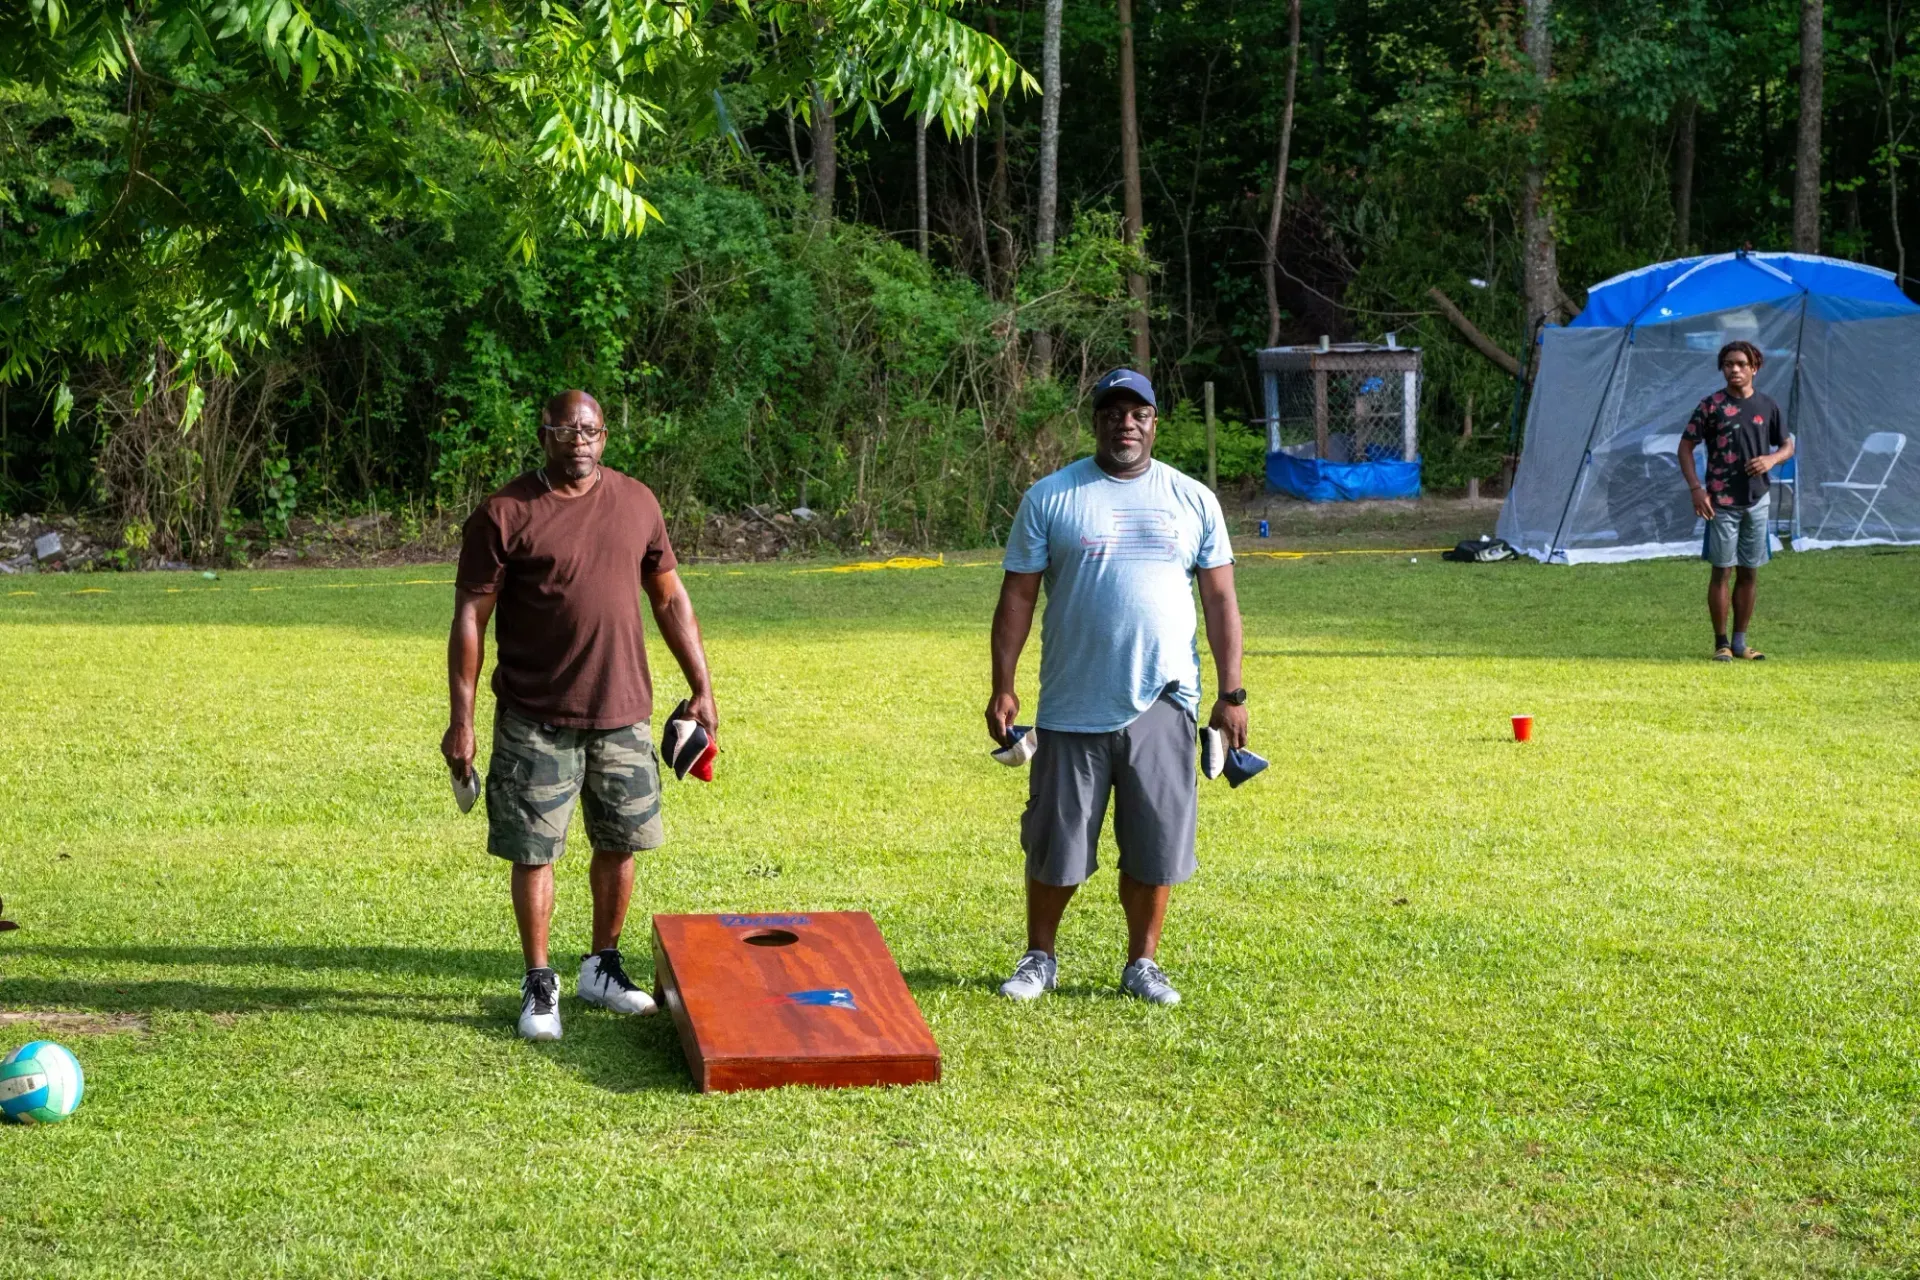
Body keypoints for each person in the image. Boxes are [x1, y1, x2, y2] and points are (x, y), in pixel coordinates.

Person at [443, 390, 719, 1041]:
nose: (579, 441)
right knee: (534, 850)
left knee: (622, 840)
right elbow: (469, 619)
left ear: (605, 435)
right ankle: (540, 983)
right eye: (566, 431)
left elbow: (671, 598)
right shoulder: (504, 513)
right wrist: (462, 718)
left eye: (590, 430)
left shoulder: (637, 502)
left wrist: (702, 684)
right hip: (535, 713)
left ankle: (603, 965)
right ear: (543, 435)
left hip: (622, 711)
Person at [987, 368, 1247, 1007]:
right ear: (1096, 421)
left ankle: (1142, 963)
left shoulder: (1192, 499)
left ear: (1155, 422)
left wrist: (1232, 694)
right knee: (1056, 842)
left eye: (1138, 413)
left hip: (1164, 700)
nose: (1124, 423)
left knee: (1156, 842)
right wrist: (1003, 685)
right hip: (1073, 701)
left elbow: (1220, 600)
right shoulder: (1051, 496)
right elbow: (1018, 596)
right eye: (1112, 412)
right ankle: (1039, 958)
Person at [1678, 341, 1794, 661]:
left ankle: (1741, 643)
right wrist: (1696, 489)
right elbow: (1685, 448)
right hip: (1721, 503)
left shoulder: (1768, 406)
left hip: (1757, 501)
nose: (1735, 369)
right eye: (1729, 364)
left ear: (1754, 367)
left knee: (1749, 571)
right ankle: (1721, 644)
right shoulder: (1710, 406)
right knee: (1722, 571)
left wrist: (1771, 460)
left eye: (1742, 364)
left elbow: (1787, 445)